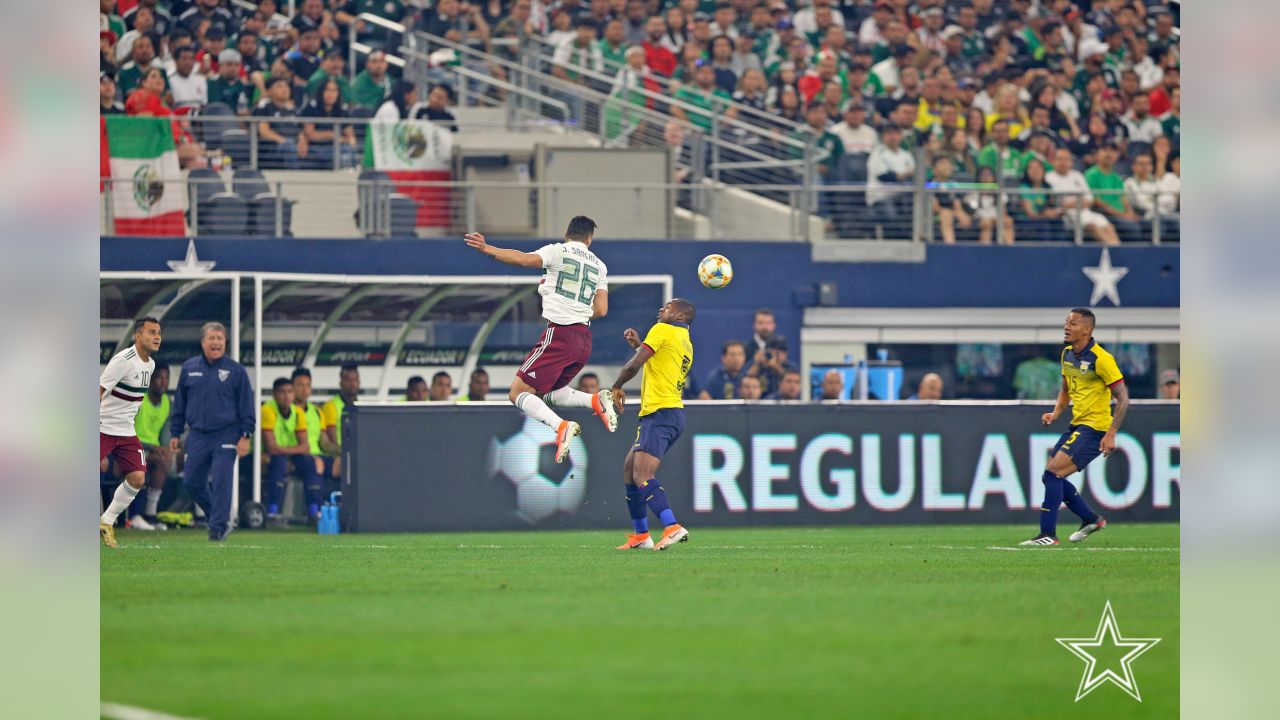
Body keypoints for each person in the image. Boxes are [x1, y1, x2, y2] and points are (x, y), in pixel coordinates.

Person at [463, 217, 618, 462]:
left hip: (560, 334)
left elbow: (523, 259)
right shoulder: (599, 266)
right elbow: (601, 310)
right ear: (589, 239)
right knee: (548, 392)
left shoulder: (557, 251)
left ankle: (561, 427)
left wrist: (487, 248)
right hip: (584, 340)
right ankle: (594, 400)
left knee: (517, 393)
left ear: (568, 233)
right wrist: (576, 308)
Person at [1021, 308, 1128, 546]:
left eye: (1074, 323)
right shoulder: (1067, 354)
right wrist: (1056, 412)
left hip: (1096, 428)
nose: (1067, 327)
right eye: (1066, 322)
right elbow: (1065, 389)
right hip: (1077, 424)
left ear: (1087, 330)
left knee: (1053, 473)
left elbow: (1123, 398)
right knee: (1051, 476)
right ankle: (1091, 518)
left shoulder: (1102, 359)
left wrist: (1111, 433)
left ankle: (1048, 534)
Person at [609, 299, 696, 551]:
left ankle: (672, 527)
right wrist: (639, 345)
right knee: (629, 470)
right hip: (670, 414)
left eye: (667, 307)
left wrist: (616, 386)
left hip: (660, 413)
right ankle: (641, 535)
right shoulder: (685, 341)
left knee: (642, 474)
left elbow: (634, 365)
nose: (661, 309)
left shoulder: (661, 330)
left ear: (679, 314)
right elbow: (659, 361)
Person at [168, 322, 255, 543]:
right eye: (212, 338)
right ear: (203, 342)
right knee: (191, 481)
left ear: (225, 342)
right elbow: (179, 403)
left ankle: (216, 530)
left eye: (220, 339)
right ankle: (219, 519)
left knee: (221, 480)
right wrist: (175, 433)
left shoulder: (236, 371)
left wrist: (246, 436)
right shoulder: (189, 368)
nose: (216, 342)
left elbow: (247, 406)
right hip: (197, 434)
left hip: (227, 434)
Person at [99, 318, 163, 548]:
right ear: (138, 336)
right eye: (151, 332)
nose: (157, 337)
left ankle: (107, 521)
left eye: (159, 333)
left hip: (125, 431)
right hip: (102, 427)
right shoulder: (122, 361)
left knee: (137, 478)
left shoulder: (151, 365)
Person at [261, 377, 322, 523]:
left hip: (287, 453)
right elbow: (270, 446)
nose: (286, 396)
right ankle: (272, 510)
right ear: (274, 394)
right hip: (267, 455)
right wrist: (294, 451)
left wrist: (288, 452)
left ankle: (314, 511)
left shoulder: (298, 412)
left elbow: (305, 446)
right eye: (282, 392)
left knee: (309, 463)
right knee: (279, 463)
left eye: (289, 392)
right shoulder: (268, 410)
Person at [1044, 147, 1120, 245]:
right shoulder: (1048, 177)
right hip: (1067, 215)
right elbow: (1057, 202)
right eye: (1060, 159)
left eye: (1066, 159)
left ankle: (1118, 250)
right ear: (1053, 161)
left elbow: (1089, 198)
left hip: (1085, 211)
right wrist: (1078, 203)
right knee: (1093, 226)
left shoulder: (1077, 175)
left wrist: (1077, 203)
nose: (1063, 163)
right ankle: (1112, 250)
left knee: (1108, 226)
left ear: (1071, 162)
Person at [132, 364, 171, 530]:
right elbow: (125, 429)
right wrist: (154, 448)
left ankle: (150, 516)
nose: (163, 382)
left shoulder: (167, 402)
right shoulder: (139, 399)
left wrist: (165, 448)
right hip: (131, 447)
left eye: (166, 378)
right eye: (159, 378)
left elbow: (166, 433)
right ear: (149, 380)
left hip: (151, 450)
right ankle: (135, 516)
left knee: (166, 459)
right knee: (153, 460)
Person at [301, 78, 359, 169]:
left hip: (336, 148)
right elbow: (310, 134)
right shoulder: (311, 109)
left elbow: (351, 137)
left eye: (334, 90)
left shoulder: (342, 112)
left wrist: (349, 141)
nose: (331, 94)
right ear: (321, 92)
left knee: (347, 151)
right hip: (316, 148)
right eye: (327, 90)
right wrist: (332, 135)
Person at [253, 76, 306, 169]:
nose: (284, 89)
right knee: (289, 147)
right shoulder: (264, 107)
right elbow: (264, 131)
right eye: (279, 86)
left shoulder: (293, 110)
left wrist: (302, 142)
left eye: (286, 86)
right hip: (274, 148)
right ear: (269, 91)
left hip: (294, 145)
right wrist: (284, 141)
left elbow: (300, 131)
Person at [288, 367, 327, 485]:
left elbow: (324, 442)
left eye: (308, 385)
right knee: (313, 464)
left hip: (318, 454)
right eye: (300, 385)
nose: (304, 390)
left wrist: (342, 450)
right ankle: (315, 503)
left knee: (343, 464)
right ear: (292, 387)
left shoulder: (317, 412)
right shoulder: (287, 410)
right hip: (298, 456)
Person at [320, 365, 359, 480]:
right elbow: (333, 441)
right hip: (339, 454)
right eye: (348, 380)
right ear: (341, 383)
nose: (353, 384)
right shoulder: (331, 406)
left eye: (355, 380)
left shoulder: (360, 406)